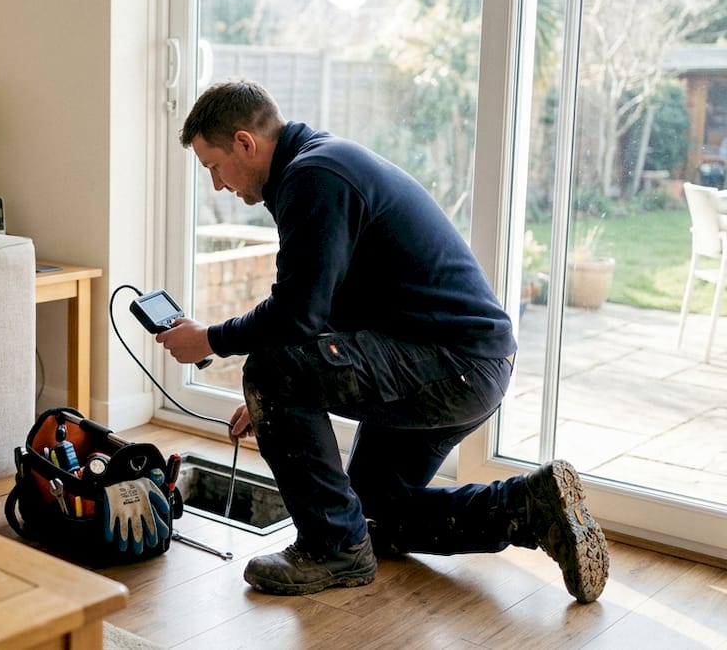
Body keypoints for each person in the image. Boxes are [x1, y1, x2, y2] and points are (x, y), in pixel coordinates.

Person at [156, 79, 609, 603]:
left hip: (452, 361)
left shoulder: (313, 177)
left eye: (213, 166)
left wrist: (210, 340)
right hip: (464, 361)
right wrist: (272, 409)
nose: (216, 184)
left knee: (268, 370)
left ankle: (331, 549)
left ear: (244, 143)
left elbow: (296, 317)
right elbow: (321, 311)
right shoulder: (317, 166)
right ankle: (529, 509)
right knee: (373, 512)